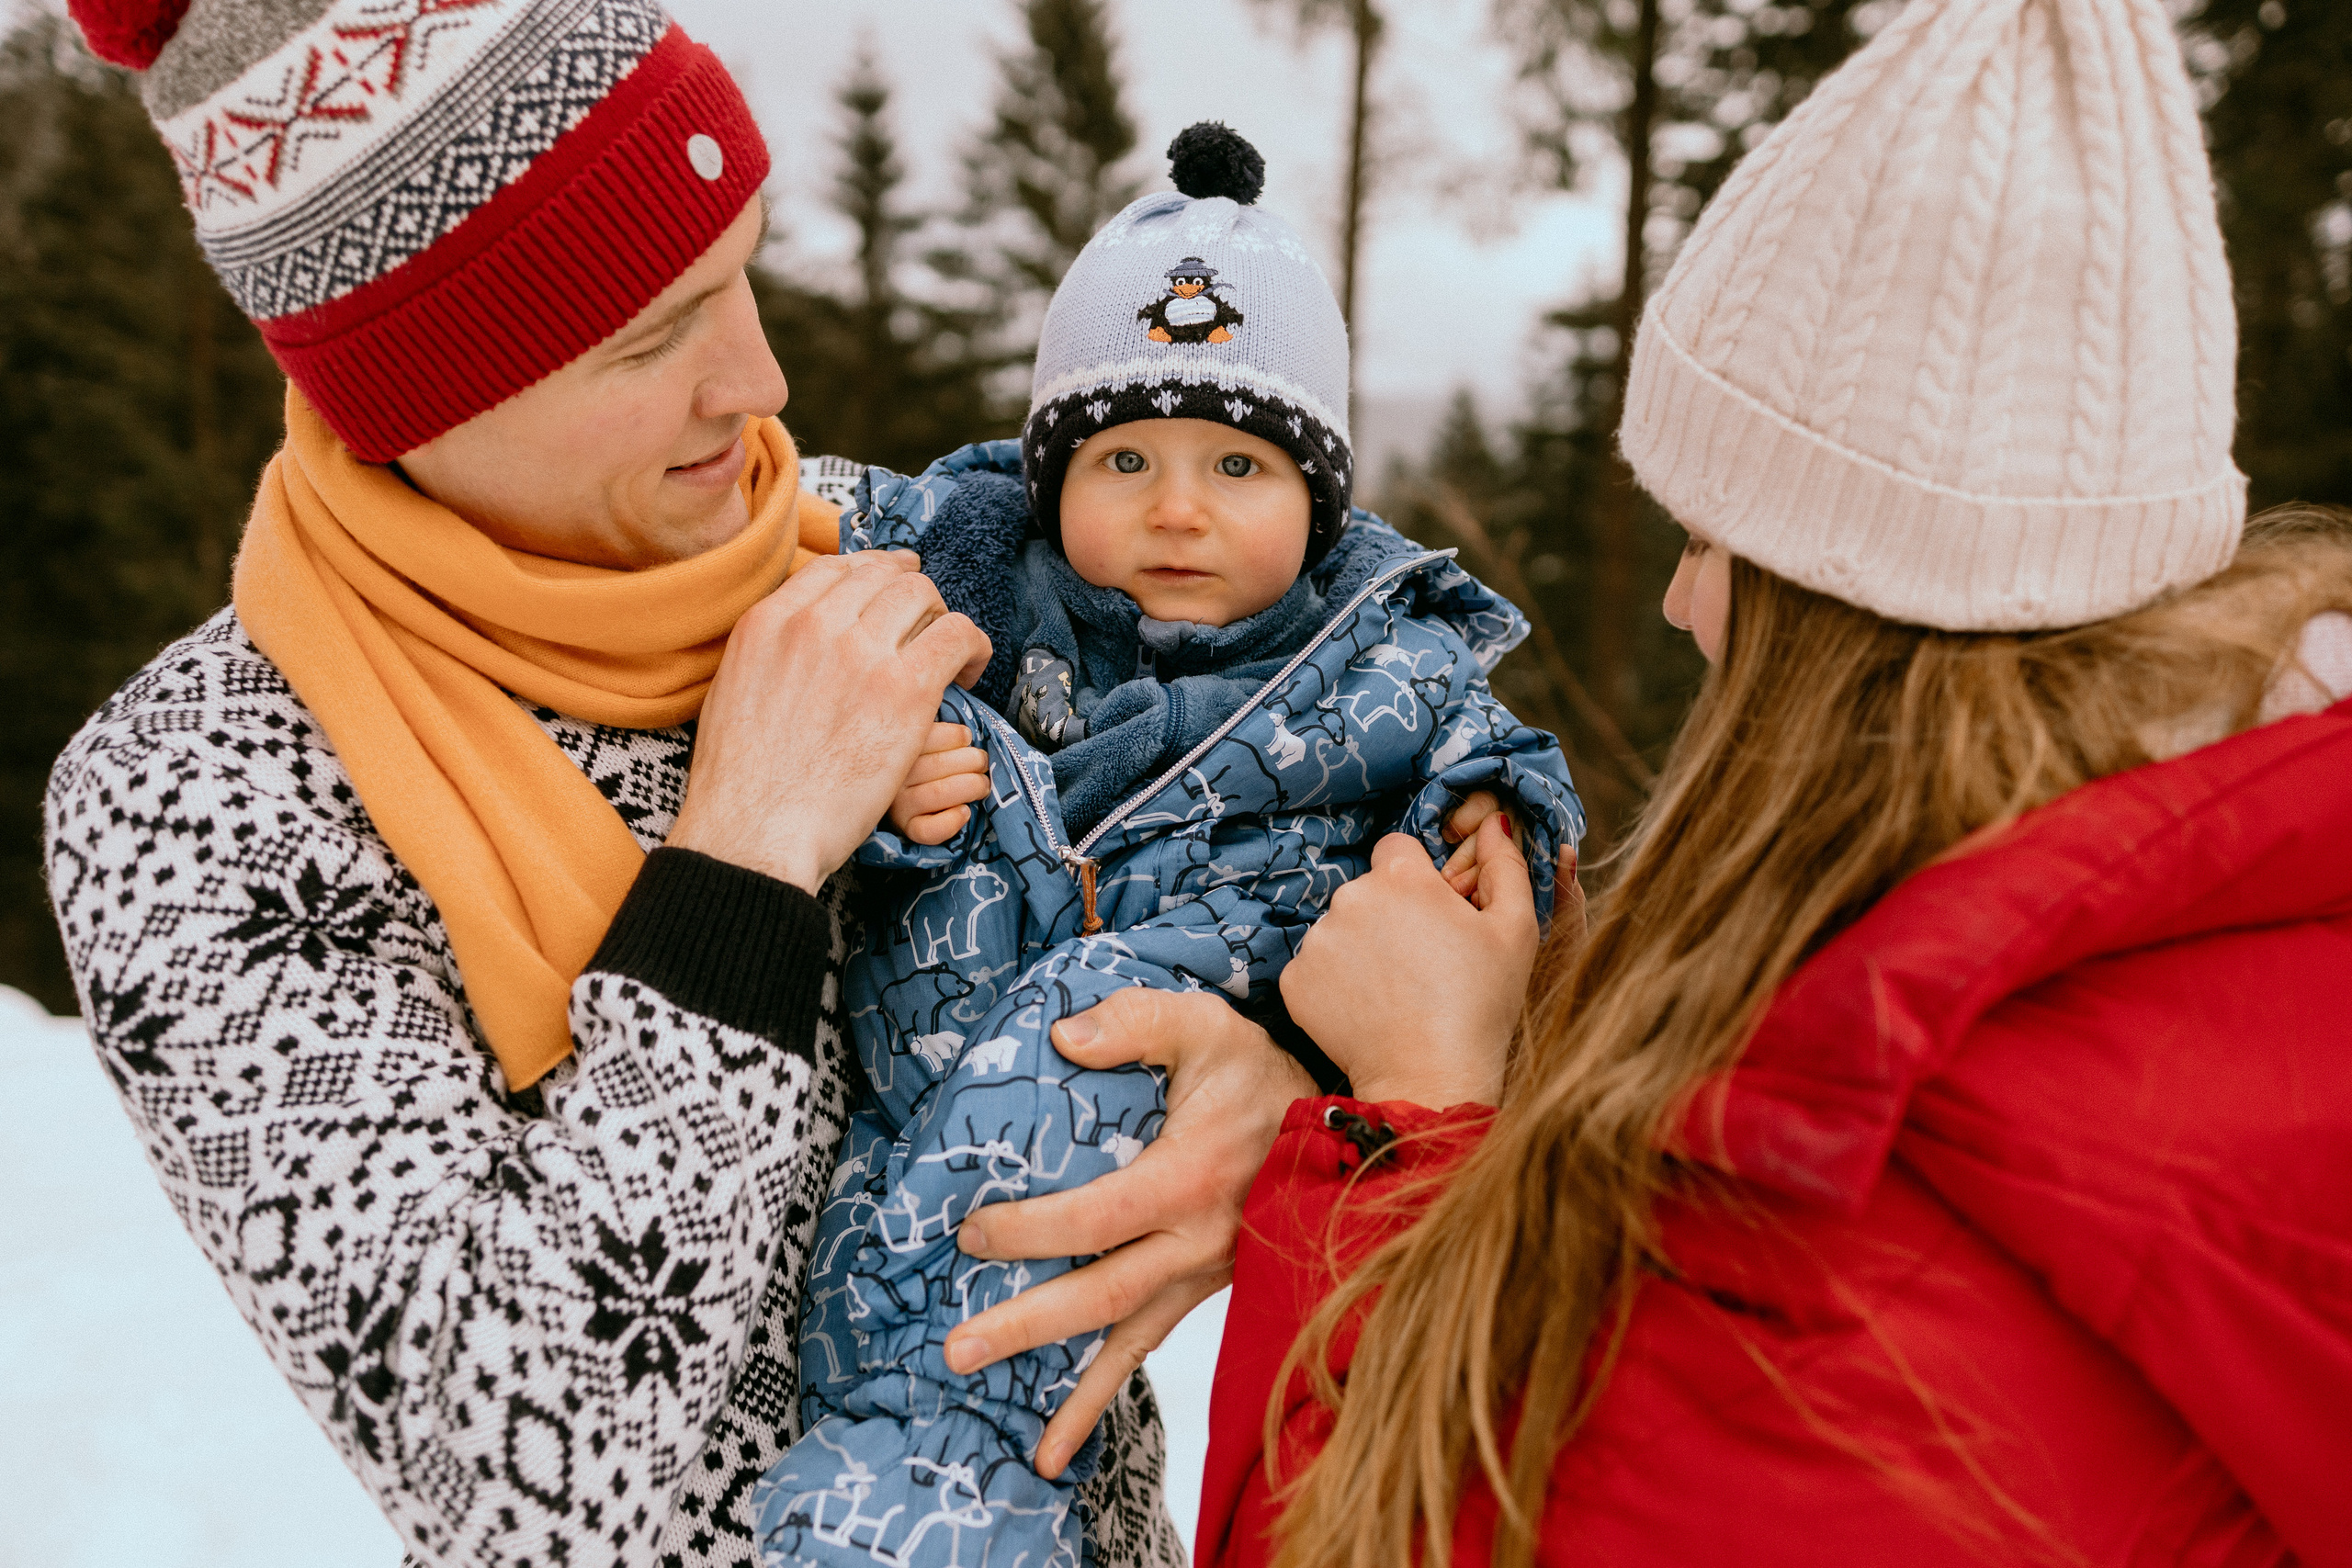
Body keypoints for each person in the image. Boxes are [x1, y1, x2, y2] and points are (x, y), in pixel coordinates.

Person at [43, 2, 1260, 1563]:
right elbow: (507, 1477)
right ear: (420, 394)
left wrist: (1280, 1103)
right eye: (650, 333)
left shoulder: (888, 547)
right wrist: (743, 864)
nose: (756, 377)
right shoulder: (198, 793)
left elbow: (1293, 827)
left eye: (739, 267)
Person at [1163, 0, 2352, 1563]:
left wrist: (1417, 1115)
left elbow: (1398, 1532)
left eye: (1713, 539)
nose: (1677, 600)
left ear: (1839, 595)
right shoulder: (2260, 940)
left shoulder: (1849, 1304)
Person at [749, 125, 1581, 1568]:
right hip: (926, 1056)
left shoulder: (1381, 669)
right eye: (1122, 456)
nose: (1175, 507)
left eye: (1239, 464)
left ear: (1317, 501)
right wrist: (899, 799)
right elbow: (779, 554)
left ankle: (904, 1520)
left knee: (974, 1357)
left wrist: (1498, 831)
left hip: (1155, 1049)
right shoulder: (967, 599)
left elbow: (1499, 798)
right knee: (925, 1309)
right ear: (1053, 474)